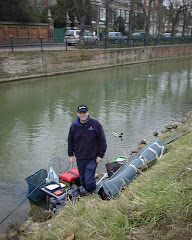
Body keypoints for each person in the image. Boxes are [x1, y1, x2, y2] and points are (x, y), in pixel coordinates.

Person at [68, 105, 107, 193]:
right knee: (82, 180)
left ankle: (92, 192)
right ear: (77, 114)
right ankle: (86, 194)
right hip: (80, 158)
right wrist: (71, 155)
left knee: (89, 180)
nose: (83, 115)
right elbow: (70, 141)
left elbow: (102, 141)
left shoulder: (95, 124)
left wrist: (100, 155)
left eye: (84, 112)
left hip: (92, 158)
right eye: (81, 113)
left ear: (88, 113)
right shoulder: (73, 126)